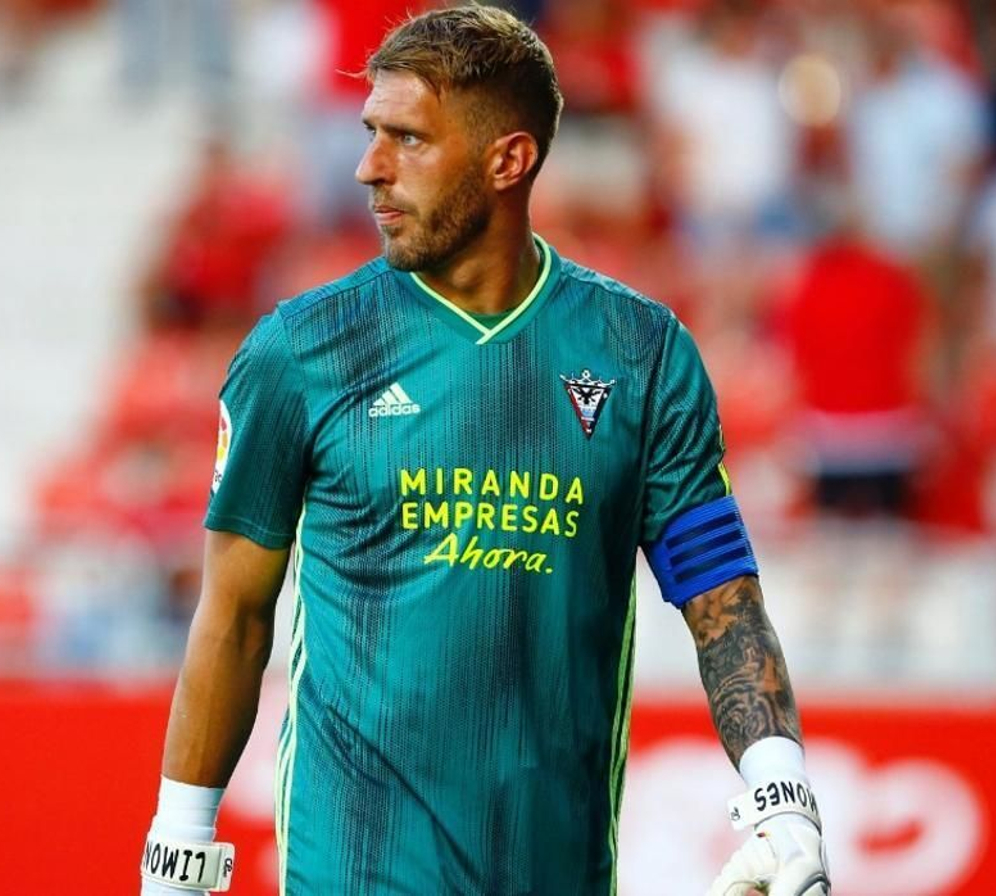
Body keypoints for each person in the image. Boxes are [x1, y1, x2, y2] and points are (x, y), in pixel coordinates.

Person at [137, 8, 828, 895]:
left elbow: (721, 596)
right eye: (370, 134)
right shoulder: (300, 352)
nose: (368, 168)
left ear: (509, 161)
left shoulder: (638, 355)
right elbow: (232, 618)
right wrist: (178, 850)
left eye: (408, 140)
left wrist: (782, 798)